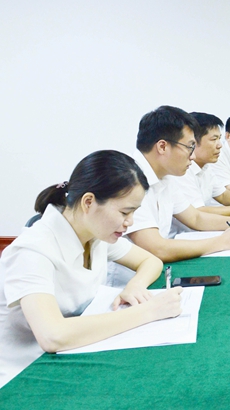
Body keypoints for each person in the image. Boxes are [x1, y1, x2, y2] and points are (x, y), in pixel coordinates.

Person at [0, 150, 183, 388]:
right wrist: (150, 311)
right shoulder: (32, 250)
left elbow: (151, 261)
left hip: (71, 356)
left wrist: (135, 286)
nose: (129, 222)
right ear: (88, 202)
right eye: (125, 212)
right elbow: (53, 335)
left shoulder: (94, 234)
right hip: (21, 376)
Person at [126, 106, 230, 265]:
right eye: (190, 147)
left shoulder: (165, 176)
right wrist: (221, 242)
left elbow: (195, 218)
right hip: (130, 278)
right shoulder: (128, 180)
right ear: (162, 147)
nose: (193, 156)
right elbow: (157, 249)